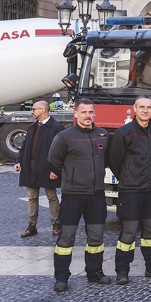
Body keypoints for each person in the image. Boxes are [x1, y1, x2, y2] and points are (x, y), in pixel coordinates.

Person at [47, 99, 112, 291]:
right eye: (83, 112)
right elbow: (53, 162)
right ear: (76, 114)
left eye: (91, 112)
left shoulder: (103, 135)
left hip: (96, 195)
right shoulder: (64, 137)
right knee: (66, 238)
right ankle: (61, 277)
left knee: (96, 238)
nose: (87, 116)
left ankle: (94, 272)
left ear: (95, 114)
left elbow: (108, 160)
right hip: (73, 196)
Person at [108, 95, 151, 284]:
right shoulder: (124, 132)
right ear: (135, 108)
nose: (145, 110)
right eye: (141, 107)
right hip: (131, 191)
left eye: (149, 107)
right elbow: (114, 160)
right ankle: (122, 270)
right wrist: (127, 177)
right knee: (129, 231)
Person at [15, 100, 64, 237]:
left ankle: (56, 224)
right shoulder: (32, 127)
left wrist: (56, 170)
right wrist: (19, 161)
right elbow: (24, 147)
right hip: (30, 167)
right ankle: (32, 226)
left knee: (52, 196)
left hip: (48, 168)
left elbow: (61, 152)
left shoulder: (56, 127)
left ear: (43, 110)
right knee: (32, 197)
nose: (32, 111)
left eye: (34, 109)